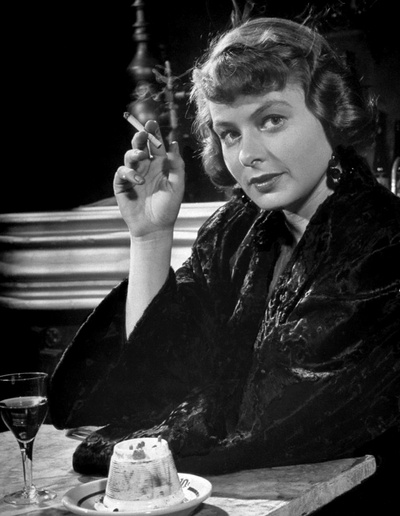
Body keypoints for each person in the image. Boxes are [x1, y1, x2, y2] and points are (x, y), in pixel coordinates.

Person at [49, 16, 400, 480]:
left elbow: (263, 423)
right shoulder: (234, 230)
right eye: (229, 133)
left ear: (331, 114)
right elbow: (147, 387)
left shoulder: (382, 241)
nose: (247, 153)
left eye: (272, 120)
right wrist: (150, 236)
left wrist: (123, 450)